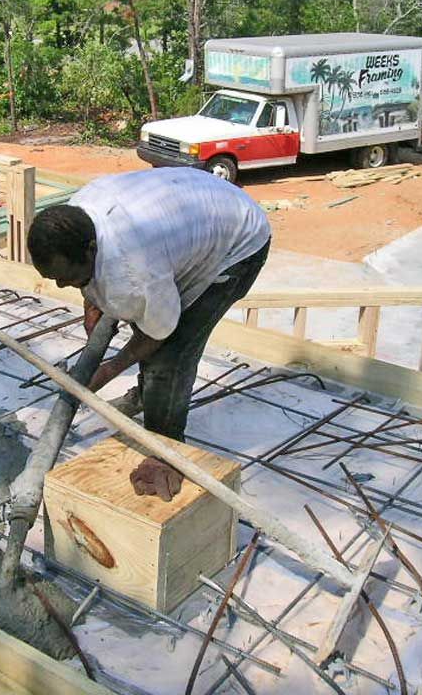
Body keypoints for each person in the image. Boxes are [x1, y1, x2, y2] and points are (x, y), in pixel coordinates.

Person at [27, 167, 271, 501]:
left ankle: (167, 451)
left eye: (68, 277)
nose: (60, 285)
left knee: (169, 358)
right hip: (201, 212)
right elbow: (116, 289)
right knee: (144, 313)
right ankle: (147, 397)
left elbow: (159, 333)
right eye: (53, 278)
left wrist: (112, 367)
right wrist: (92, 298)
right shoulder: (77, 215)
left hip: (239, 245)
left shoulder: (133, 273)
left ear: (90, 249)